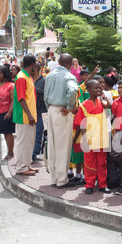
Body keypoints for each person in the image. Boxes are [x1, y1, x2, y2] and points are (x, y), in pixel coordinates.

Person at [44, 53, 78, 188]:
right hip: (62, 111)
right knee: (63, 146)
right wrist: (69, 107)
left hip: (51, 109)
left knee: (52, 145)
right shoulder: (69, 76)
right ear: (70, 64)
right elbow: (73, 90)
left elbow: (45, 95)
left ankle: (54, 177)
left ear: (59, 62)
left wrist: (50, 108)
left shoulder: (50, 75)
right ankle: (62, 179)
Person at [73, 79, 111, 195]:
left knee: (102, 163)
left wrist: (104, 97)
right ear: (89, 90)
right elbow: (82, 125)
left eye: (100, 87)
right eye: (96, 88)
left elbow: (109, 107)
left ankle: (102, 184)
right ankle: (89, 184)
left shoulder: (101, 102)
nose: (99, 90)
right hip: (90, 139)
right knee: (89, 163)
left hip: (102, 138)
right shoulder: (83, 105)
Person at [13, 54, 38, 176]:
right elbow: (21, 98)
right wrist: (29, 114)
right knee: (23, 142)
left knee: (29, 142)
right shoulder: (22, 77)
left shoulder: (27, 77)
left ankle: (26, 164)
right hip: (24, 116)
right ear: (33, 64)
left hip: (29, 115)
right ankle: (22, 167)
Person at [0, 65, 15, 160]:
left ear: (5, 74)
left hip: (5, 112)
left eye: (0, 73)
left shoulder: (10, 85)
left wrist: (9, 112)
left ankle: (10, 152)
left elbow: (13, 100)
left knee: (7, 133)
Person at [32, 62, 47, 162]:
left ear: (36, 70)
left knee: (38, 133)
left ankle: (34, 153)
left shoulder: (44, 81)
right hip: (28, 111)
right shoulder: (28, 80)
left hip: (41, 112)